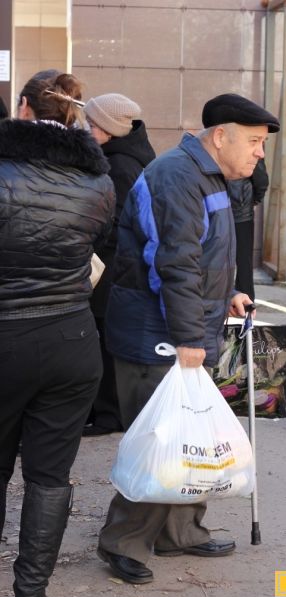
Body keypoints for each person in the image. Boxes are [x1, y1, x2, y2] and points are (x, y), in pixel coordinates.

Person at [97, 93, 280, 584]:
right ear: (220, 137)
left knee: (190, 437)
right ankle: (123, 541)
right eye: (255, 142)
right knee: (160, 440)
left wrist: (229, 293)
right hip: (156, 333)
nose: (260, 152)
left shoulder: (209, 176)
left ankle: (180, 532)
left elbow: (203, 255)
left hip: (183, 327)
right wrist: (189, 336)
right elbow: (173, 263)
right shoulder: (177, 176)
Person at [0, 72, 115, 597]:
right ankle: (31, 595)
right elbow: (102, 245)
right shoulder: (98, 180)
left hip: (7, 336)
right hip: (71, 338)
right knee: (50, 475)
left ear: (23, 107)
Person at [83, 93, 156, 436]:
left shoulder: (121, 165)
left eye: (91, 124)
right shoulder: (127, 157)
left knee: (105, 338)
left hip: (113, 266)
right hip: (117, 265)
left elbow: (120, 221)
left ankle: (109, 414)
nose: (87, 130)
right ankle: (105, 410)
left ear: (108, 128)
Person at [228, 158, 269, 300]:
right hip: (242, 210)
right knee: (244, 260)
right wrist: (255, 199)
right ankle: (246, 302)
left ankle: (215, 299)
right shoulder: (251, 149)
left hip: (217, 208)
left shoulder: (215, 147)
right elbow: (261, 180)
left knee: (214, 255)